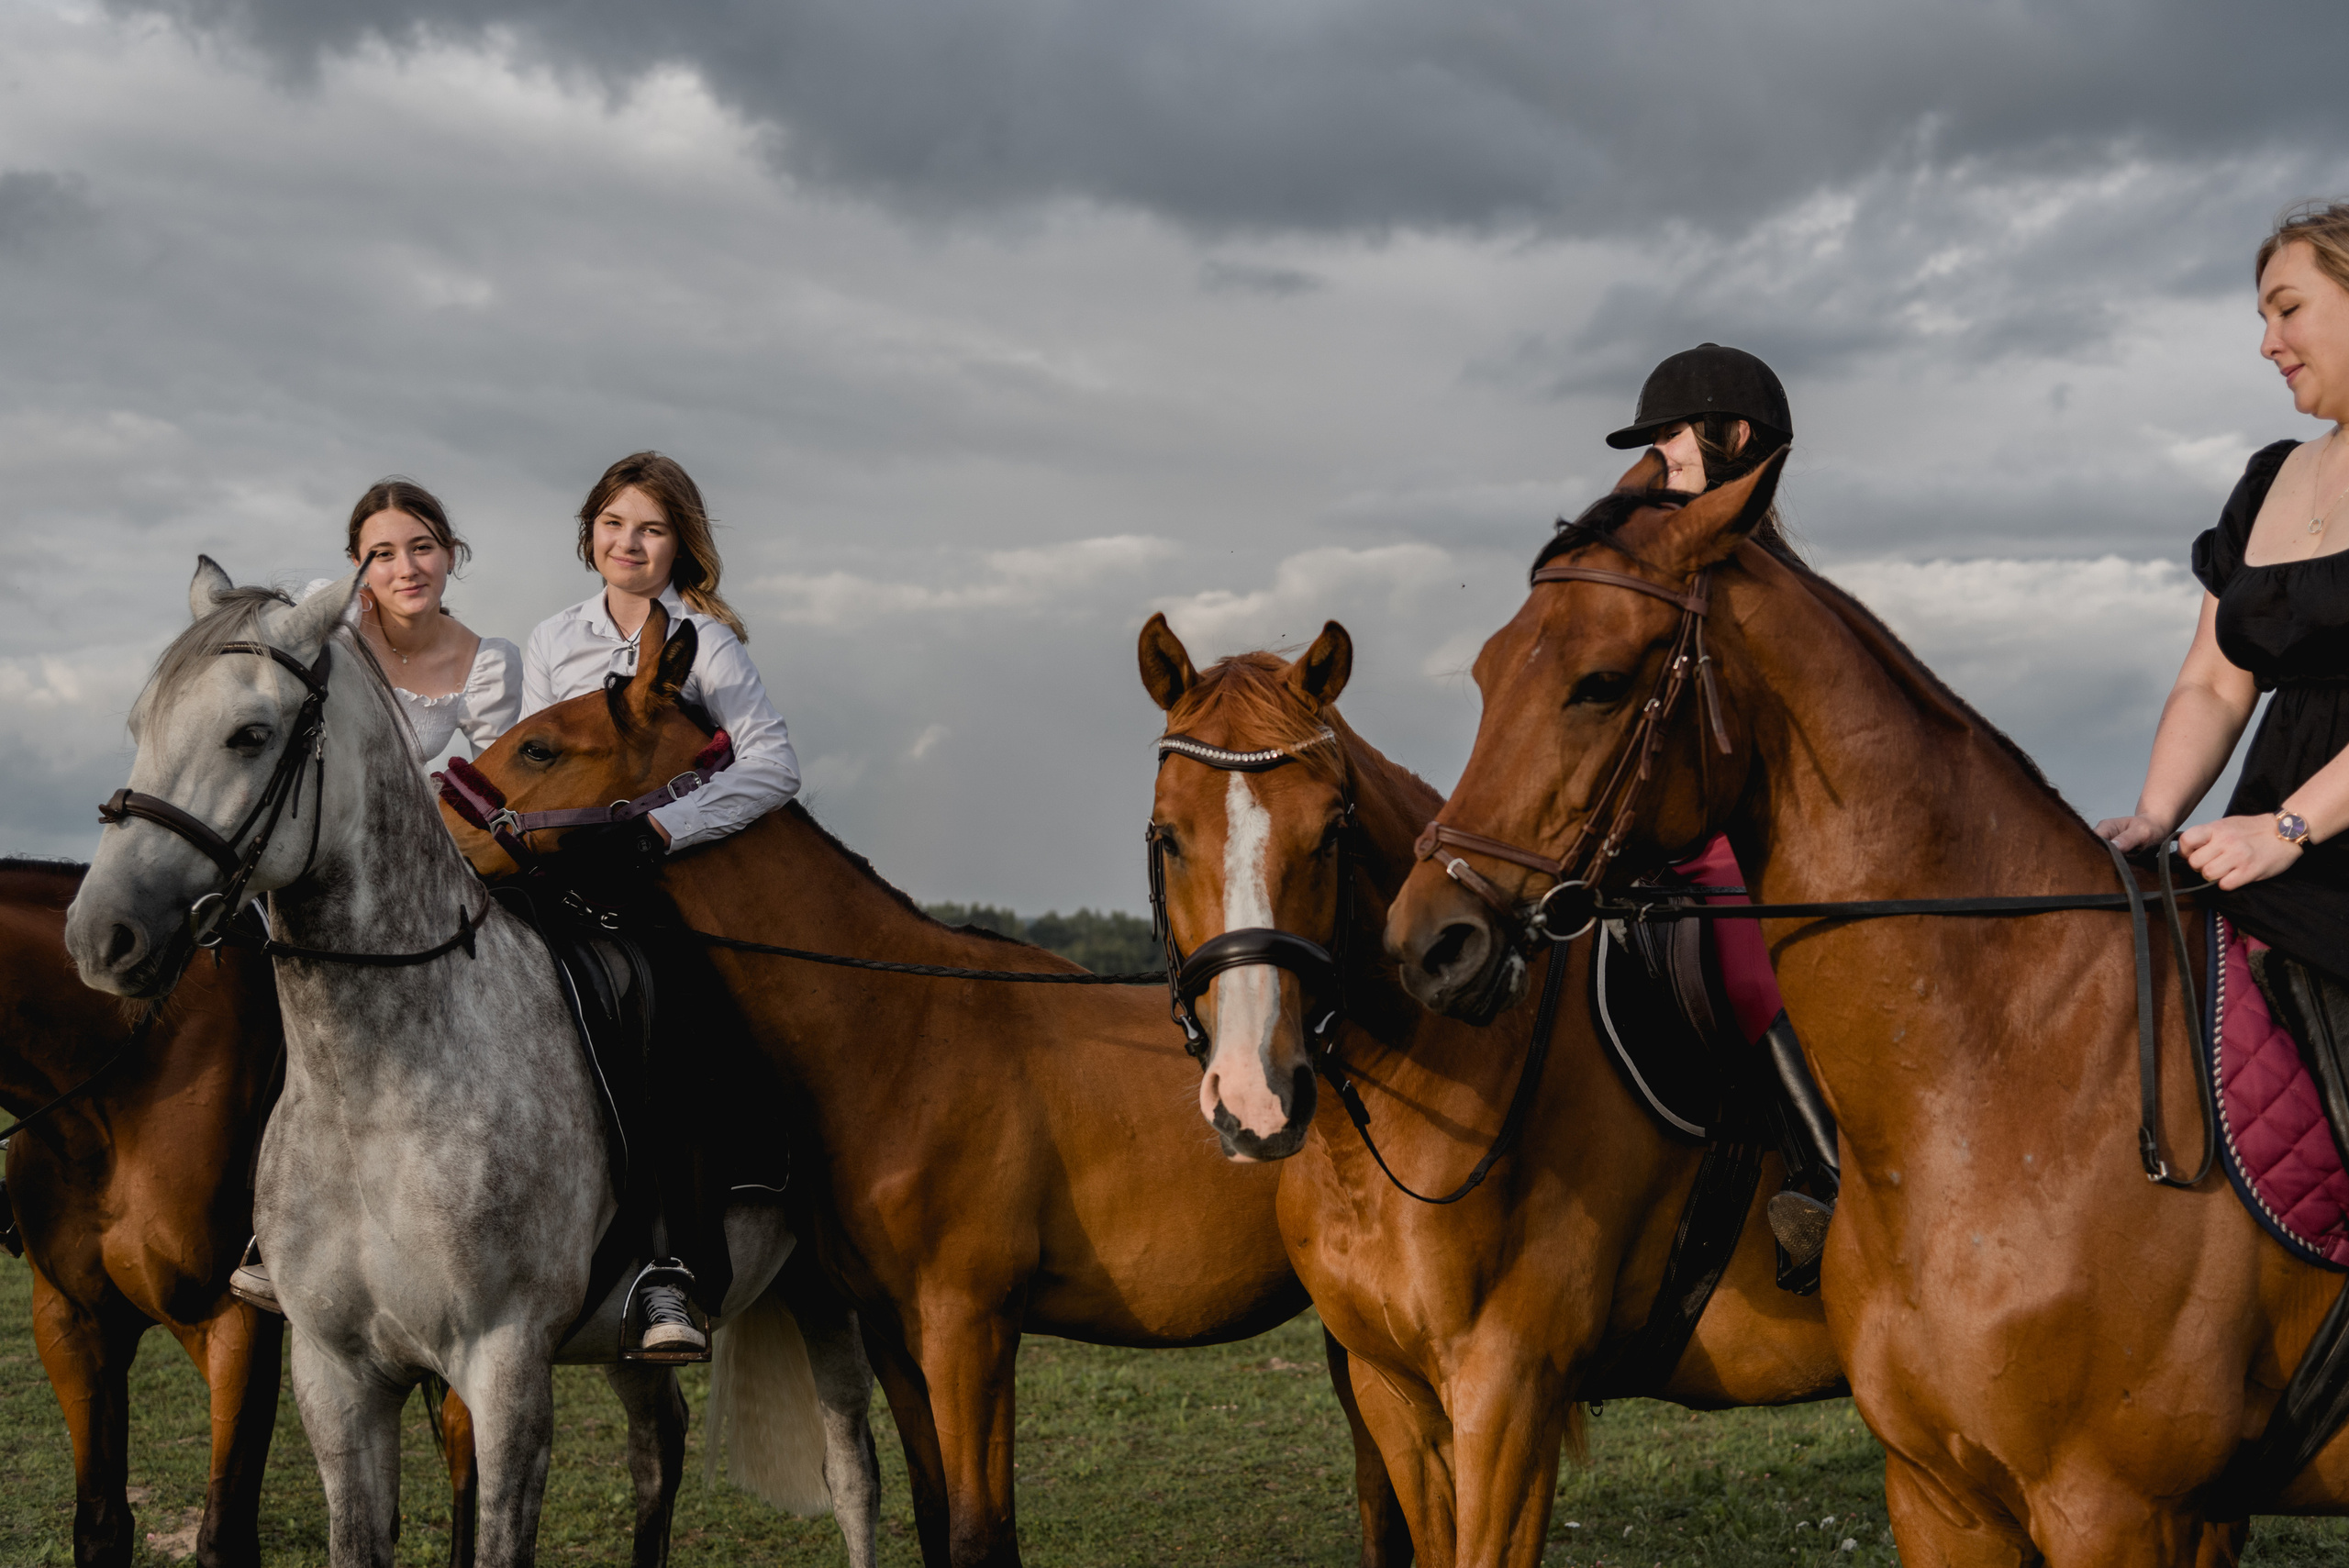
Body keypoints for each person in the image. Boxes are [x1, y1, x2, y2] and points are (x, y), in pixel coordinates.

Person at [522, 450, 800, 1358]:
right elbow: (530, 759)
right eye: (613, 524)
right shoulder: (551, 638)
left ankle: (670, 1265)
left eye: (649, 528)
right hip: (558, 873)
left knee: (668, 1031)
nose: (627, 542)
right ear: (589, 533)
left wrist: (662, 831)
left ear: (681, 544)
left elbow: (771, 764)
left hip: (662, 881)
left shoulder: (709, 642)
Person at [230, 478, 522, 1315]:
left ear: (451, 555)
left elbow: (492, 790)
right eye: (383, 553)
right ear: (358, 567)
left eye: (422, 546)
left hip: (436, 888)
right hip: (326, 883)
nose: (406, 567)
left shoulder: (489, 661)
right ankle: (271, 1221)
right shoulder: (329, 650)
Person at [1606, 344, 1839, 1269]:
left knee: (1741, 957)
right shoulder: (1662, 571)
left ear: (1734, 436)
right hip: (1664, 827)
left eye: (1672, 434)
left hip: (1757, 833)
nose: (1660, 453)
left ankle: (1826, 1175)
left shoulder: (1772, 585)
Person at [2100, 203, 2349, 1005]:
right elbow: (2214, 679)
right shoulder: (2267, 479)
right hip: (2258, 844)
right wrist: (2155, 816)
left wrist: (2290, 828)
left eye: (2289, 309)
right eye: (2263, 318)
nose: (2268, 343)